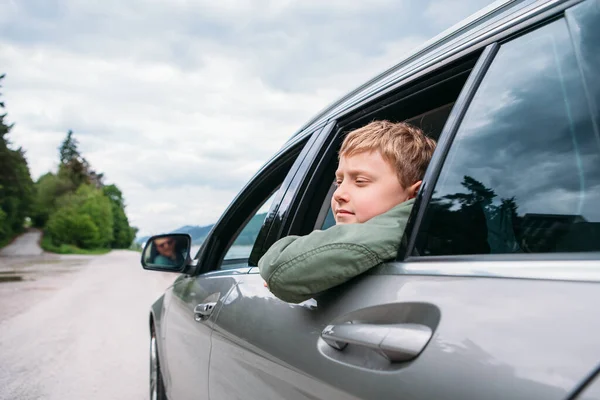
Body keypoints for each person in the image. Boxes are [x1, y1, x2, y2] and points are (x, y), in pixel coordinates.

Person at [258, 120, 437, 303]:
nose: (338, 194)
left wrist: (278, 261)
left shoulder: (401, 231)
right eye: (339, 182)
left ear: (415, 194)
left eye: (360, 181)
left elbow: (278, 270)